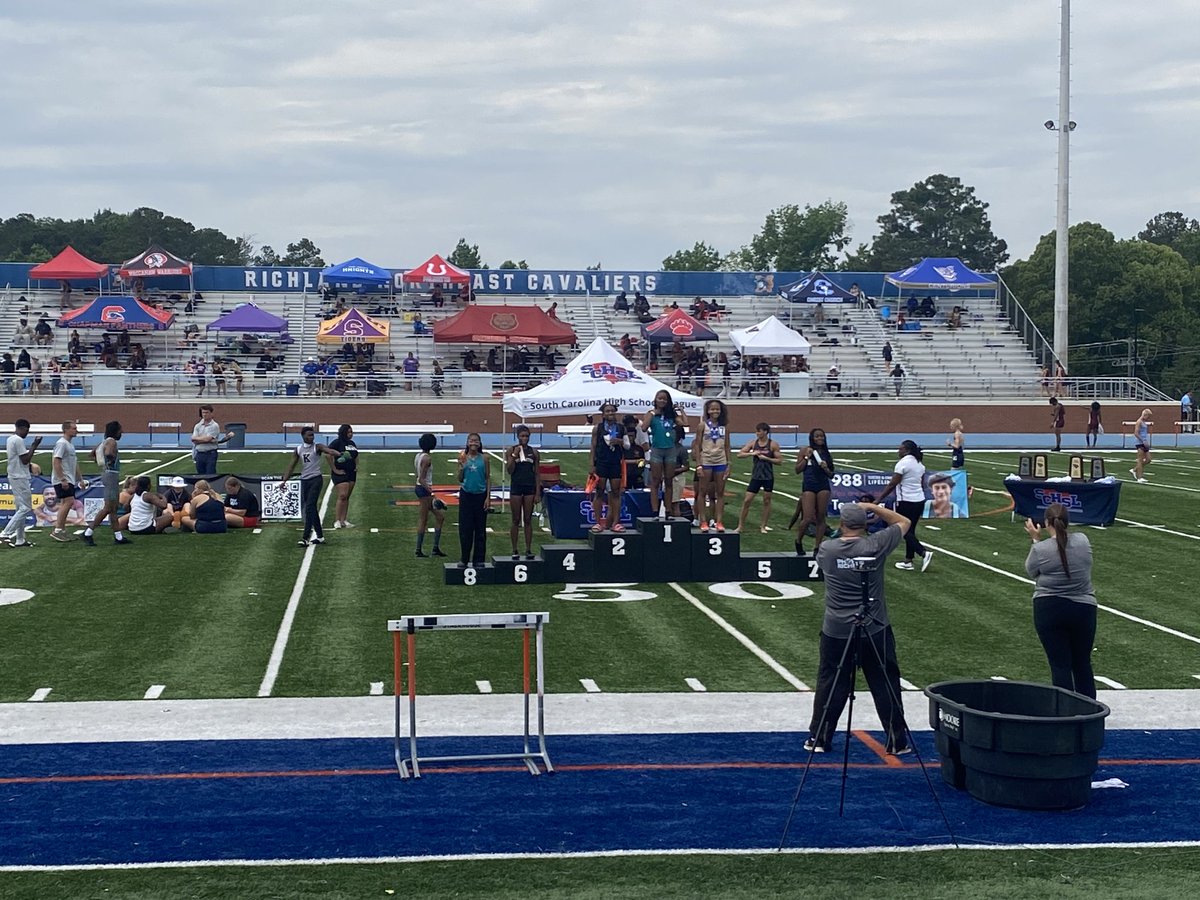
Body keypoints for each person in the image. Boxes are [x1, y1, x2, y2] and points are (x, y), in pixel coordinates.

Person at [805, 502, 913, 755]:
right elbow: (904, 522)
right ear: (865, 525)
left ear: (842, 524)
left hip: (837, 628)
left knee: (831, 682)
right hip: (874, 627)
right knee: (884, 683)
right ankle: (897, 741)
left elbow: (830, 548)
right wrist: (873, 506)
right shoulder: (875, 545)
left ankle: (819, 738)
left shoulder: (827, 549)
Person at [1024, 503, 1097, 698]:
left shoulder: (1041, 550)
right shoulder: (1082, 540)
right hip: (1084, 607)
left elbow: (1031, 571)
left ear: (1047, 523)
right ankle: (1089, 710)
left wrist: (1035, 539)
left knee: (1059, 665)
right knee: (1082, 662)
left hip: (1049, 607)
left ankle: (1065, 711)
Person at [876, 440, 932, 572]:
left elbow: (892, 484)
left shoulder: (902, 464)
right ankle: (908, 560)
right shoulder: (919, 464)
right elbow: (922, 483)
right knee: (910, 530)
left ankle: (923, 552)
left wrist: (878, 499)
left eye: (900, 449)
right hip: (919, 500)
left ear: (906, 450)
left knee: (902, 529)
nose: (898, 451)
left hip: (906, 501)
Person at [281, 426, 341, 546]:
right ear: (303, 436)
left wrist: (339, 453)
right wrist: (284, 480)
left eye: (312, 435)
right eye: (309, 435)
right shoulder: (298, 449)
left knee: (309, 507)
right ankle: (320, 536)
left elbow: (328, 450)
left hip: (316, 479)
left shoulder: (317, 447)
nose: (311, 437)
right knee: (311, 508)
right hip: (305, 480)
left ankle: (305, 537)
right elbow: (291, 466)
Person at [82, 421, 131, 546]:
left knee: (113, 508)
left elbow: (92, 454)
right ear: (115, 431)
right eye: (120, 430)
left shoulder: (104, 441)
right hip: (111, 474)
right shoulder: (112, 442)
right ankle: (88, 532)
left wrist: (101, 463)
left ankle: (118, 536)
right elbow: (109, 453)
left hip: (107, 473)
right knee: (108, 507)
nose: (122, 432)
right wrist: (110, 460)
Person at [640, 389, 687, 519]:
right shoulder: (651, 413)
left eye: (664, 399)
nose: (662, 401)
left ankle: (668, 511)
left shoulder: (671, 415)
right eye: (659, 398)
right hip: (657, 450)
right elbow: (644, 427)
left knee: (669, 480)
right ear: (655, 400)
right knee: (655, 481)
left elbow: (685, 423)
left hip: (670, 450)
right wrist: (651, 414)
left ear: (668, 401)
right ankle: (655, 511)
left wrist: (680, 411)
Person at [790, 428, 834, 556]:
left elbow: (831, 474)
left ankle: (817, 547)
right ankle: (798, 540)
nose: (820, 438)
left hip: (823, 485)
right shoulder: (806, 450)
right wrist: (805, 457)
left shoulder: (826, 453)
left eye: (822, 436)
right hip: (809, 485)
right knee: (808, 517)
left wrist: (826, 468)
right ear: (812, 438)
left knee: (821, 517)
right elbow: (797, 470)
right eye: (817, 436)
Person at [1, 419, 42, 547]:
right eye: (26, 430)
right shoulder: (18, 440)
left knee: (20, 508)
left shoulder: (10, 439)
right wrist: (34, 446)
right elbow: (25, 460)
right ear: (21, 428)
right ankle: (5, 534)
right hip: (19, 476)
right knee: (25, 508)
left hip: (14, 475)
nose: (27, 433)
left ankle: (20, 539)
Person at [736, 422, 783, 534]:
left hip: (768, 477)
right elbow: (740, 454)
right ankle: (740, 526)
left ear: (765, 432)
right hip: (756, 477)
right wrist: (751, 454)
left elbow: (780, 461)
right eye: (756, 431)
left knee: (766, 501)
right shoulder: (753, 443)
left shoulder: (773, 444)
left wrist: (766, 459)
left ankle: (763, 526)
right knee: (747, 501)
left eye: (759, 431)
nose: (757, 433)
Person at [588, 405, 627, 534]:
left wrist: (619, 441)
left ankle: (616, 523)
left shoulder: (621, 428)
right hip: (601, 463)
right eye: (607, 411)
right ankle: (598, 523)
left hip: (615, 463)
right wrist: (591, 464)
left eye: (612, 411)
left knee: (616, 493)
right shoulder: (598, 428)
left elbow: (627, 445)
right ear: (603, 414)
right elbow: (593, 447)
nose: (610, 413)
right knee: (599, 492)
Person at [693, 399, 730, 532]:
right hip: (706, 461)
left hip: (721, 461)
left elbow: (727, 446)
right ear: (708, 411)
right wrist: (698, 464)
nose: (715, 411)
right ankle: (703, 521)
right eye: (712, 409)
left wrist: (728, 464)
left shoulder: (724, 427)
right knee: (702, 492)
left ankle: (719, 521)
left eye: (717, 409)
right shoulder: (702, 425)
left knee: (720, 492)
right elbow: (697, 445)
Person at [456, 432, 491, 568]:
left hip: (480, 496)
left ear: (480, 443)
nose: (474, 443)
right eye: (471, 441)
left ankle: (479, 559)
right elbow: (460, 478)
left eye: (476, 441)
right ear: (467, 443)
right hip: (466, 495)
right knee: (465, 529)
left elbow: (487, 478)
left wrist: (488, 497)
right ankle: (464, 558)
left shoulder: (485, 458)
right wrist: (461, 466)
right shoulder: (463, 457)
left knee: (480, 529)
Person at [507, 424, 541, 556]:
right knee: (515, 519)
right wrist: (514, 457)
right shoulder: (511, 450)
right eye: (522, 436)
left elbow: (537, 473)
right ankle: (514, 549)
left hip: (529, 488)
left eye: (526, 436)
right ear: (517, 437)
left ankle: (528, 549)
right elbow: (509, 470)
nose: (524, 438)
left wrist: (538, 492)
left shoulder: (534, 452)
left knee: (528, 519)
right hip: (516, 487)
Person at [50, 420, 87, 542]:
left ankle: (61, 529)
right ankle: (58, 530)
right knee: (68, 502)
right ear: (66, 430)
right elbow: (56, 461)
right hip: (63, 479)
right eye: (74, 428)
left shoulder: (70, 445)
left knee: (68, 502)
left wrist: (80, 479)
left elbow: (75, 464)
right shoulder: (61, 444)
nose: (76, 430)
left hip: (69, 478)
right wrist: (62, 479)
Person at [414, 433, 447, 558]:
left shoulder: (418, 456)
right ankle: (418, 549)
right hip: (424, 490)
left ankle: (435, 548)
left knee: (440, 517)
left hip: (420, 488)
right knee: (424, 519)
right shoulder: (427, 459)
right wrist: (431, 493)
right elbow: (422, 478)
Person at [328, 424, 359, 529]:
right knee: (342, 495)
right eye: (349, 432)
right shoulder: (337, 442)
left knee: (347, 497)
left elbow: (355, 455)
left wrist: (356, 466)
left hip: (351, 473)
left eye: (352, 432)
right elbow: (328, 454)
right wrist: (334, 469)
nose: (351, 434)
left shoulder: (352, 443)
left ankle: (344, 520)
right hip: (340, 472)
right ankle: (337, 520)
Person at [191, 405, 234, 476]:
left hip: (210, 454)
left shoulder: (214, 426)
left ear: (211, 414)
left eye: (207, 412)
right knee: (200, 474)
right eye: (203, 412)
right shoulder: (197, 426)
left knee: (210, 474)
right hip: (199, 453)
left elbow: (208, 438)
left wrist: (201, 439)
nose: (204, 414)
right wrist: (205, 439)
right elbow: (193, 439)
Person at [1130, 408, 1152, 483]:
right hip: (1140, 443)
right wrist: (1143, 441)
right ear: (1145, 415)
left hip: (1144, 442)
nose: (1148, 418)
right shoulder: (1139, 422)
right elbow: (1136, 433)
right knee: (1140, 460)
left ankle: (1134, 470)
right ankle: (1139, 477)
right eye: (1148, 416)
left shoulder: (1144, 422)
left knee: (1148, 459)